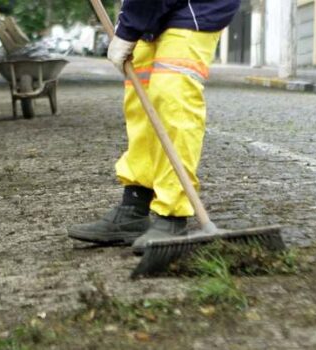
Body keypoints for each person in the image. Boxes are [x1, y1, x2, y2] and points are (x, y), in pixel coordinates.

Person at [68, 0, 241, 254]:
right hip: (154, 10)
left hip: (195, 8)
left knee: (171, 98)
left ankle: (172, 215)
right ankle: (134, 208)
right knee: (139, 102)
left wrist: (127, 30)